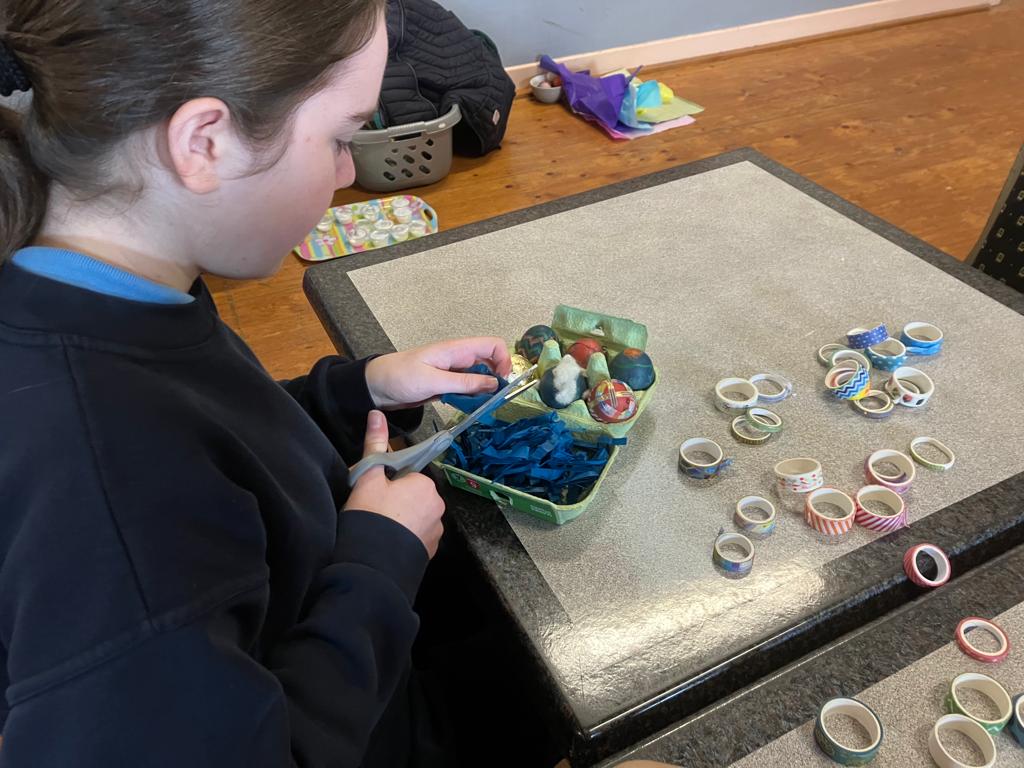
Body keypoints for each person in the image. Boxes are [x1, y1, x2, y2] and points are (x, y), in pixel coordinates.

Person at [0, 1, 511, 765]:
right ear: (202, 142)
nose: (347, 171)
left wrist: (357, 391)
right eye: (341, 139)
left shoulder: (111, 284)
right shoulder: (103, 482)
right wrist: (376, 568)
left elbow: (222, 435)